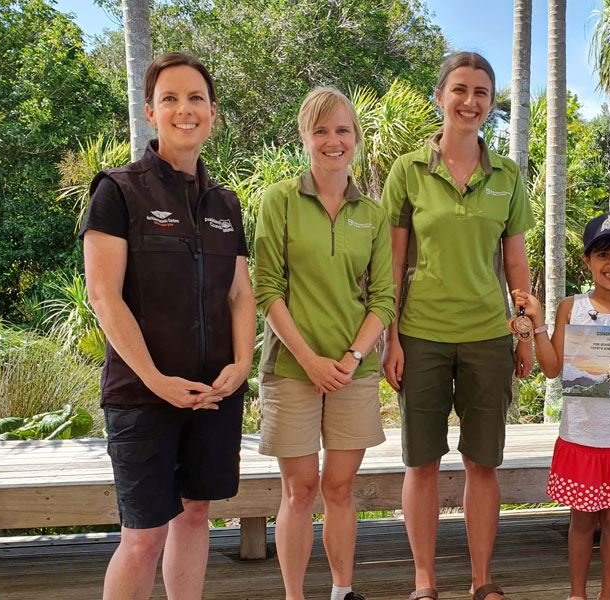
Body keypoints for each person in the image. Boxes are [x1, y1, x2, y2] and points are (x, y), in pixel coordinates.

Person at [82, 52, 255, 599]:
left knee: (196, 515)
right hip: (142, 395)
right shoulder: (118, 191)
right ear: (151, 113)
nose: (186, 109)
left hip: (212, 394)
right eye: (171, 99)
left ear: (213, 112)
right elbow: (103, 296)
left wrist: (242, 364)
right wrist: (157, 381)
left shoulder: (225, 203)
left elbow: (239, 292)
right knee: (143, 535)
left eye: (196, 98)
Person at [381, 51, 535, 600]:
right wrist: (391, 337)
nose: (470, 102)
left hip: (489, 336)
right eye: (460, 90)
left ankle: (481, 579)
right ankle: (424, 581)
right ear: (440, 95)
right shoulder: (408, 171)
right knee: (422, 462)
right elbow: (392, 265)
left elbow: (516, 265)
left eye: (482, 94)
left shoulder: (507, 176)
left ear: (492, 105)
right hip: (421, 335)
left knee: (482, 462)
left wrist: (524, 331)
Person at [252, 87, 395, 600]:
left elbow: (383, 300)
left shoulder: (373, 216)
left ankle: (341, 591)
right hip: (291, 371)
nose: (333, 141)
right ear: (304, 137)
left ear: (355, 138)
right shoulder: (279, 201)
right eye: (321, 131)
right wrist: (309, 360)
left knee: (338, 488)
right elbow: (265, 288)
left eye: (342, 131)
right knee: (299, 490)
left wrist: (352, 358)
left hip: (352, 373)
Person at [511, 212, 610, 600]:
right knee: (581, 520)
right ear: (587, 262)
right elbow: (551, 368)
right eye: (603, 256)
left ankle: (607, 595)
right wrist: (539, 325)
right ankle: (577, 594)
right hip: (581, 434)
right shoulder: (570, 307)